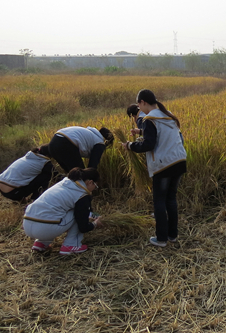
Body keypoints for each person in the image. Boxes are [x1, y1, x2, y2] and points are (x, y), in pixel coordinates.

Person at [122, 89, 187, 247]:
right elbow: (162, 133)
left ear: (143, 102)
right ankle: (172, 236)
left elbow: (148, 144)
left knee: (159, 201)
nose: (139, 108)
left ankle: (161, 239)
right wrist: (141, 131)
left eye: (139, 105)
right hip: (179, 160)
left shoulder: (149, 119)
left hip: (164, 164)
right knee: (171, 200)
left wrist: (130, 145)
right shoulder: (167, 115)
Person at [23, 167, 104, 255]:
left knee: (54, 212)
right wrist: (94, 224)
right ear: (90, 182)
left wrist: (92, 215)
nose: (94, 189)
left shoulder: (64, 184)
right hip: (45, 228)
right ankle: (71, 245)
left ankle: (41, 243)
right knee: (77, 214)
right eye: (95, 186)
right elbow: (83, 226)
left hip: (27, 224)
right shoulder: (81, 195)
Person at [48, 126, 114, 173]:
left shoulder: (90, 133)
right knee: (80, 174)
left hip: (53, 144)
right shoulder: (100, 142)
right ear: (107, 142)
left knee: (71, 174)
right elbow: (92, 166)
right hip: (66, 143)